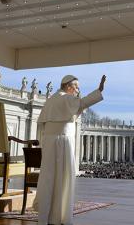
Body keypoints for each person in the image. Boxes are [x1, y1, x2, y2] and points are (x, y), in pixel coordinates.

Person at [36, 74, 106, 225]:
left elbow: (42, 125)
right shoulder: (65, 98)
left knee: (49, 179)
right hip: (63, 142)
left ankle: (46, 216)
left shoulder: (51, 100)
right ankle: (59, 215)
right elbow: (82, 103)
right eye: (76, 87)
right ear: (68, 86)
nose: (77, 90)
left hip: (49, 142)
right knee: (64, 179)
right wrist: (99, 90)